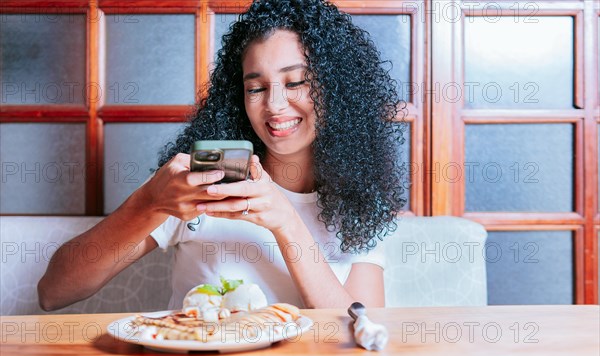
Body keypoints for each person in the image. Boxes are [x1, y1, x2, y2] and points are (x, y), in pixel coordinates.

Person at [38, 0, 407, 311]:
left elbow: (361, 333)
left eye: (296, 82)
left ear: (338, 90)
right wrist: (148, 203)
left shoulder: (358, 203)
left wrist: (286, 223)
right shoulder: (204, 183)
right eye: (256, 87)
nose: (275, 105)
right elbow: (54, 292)